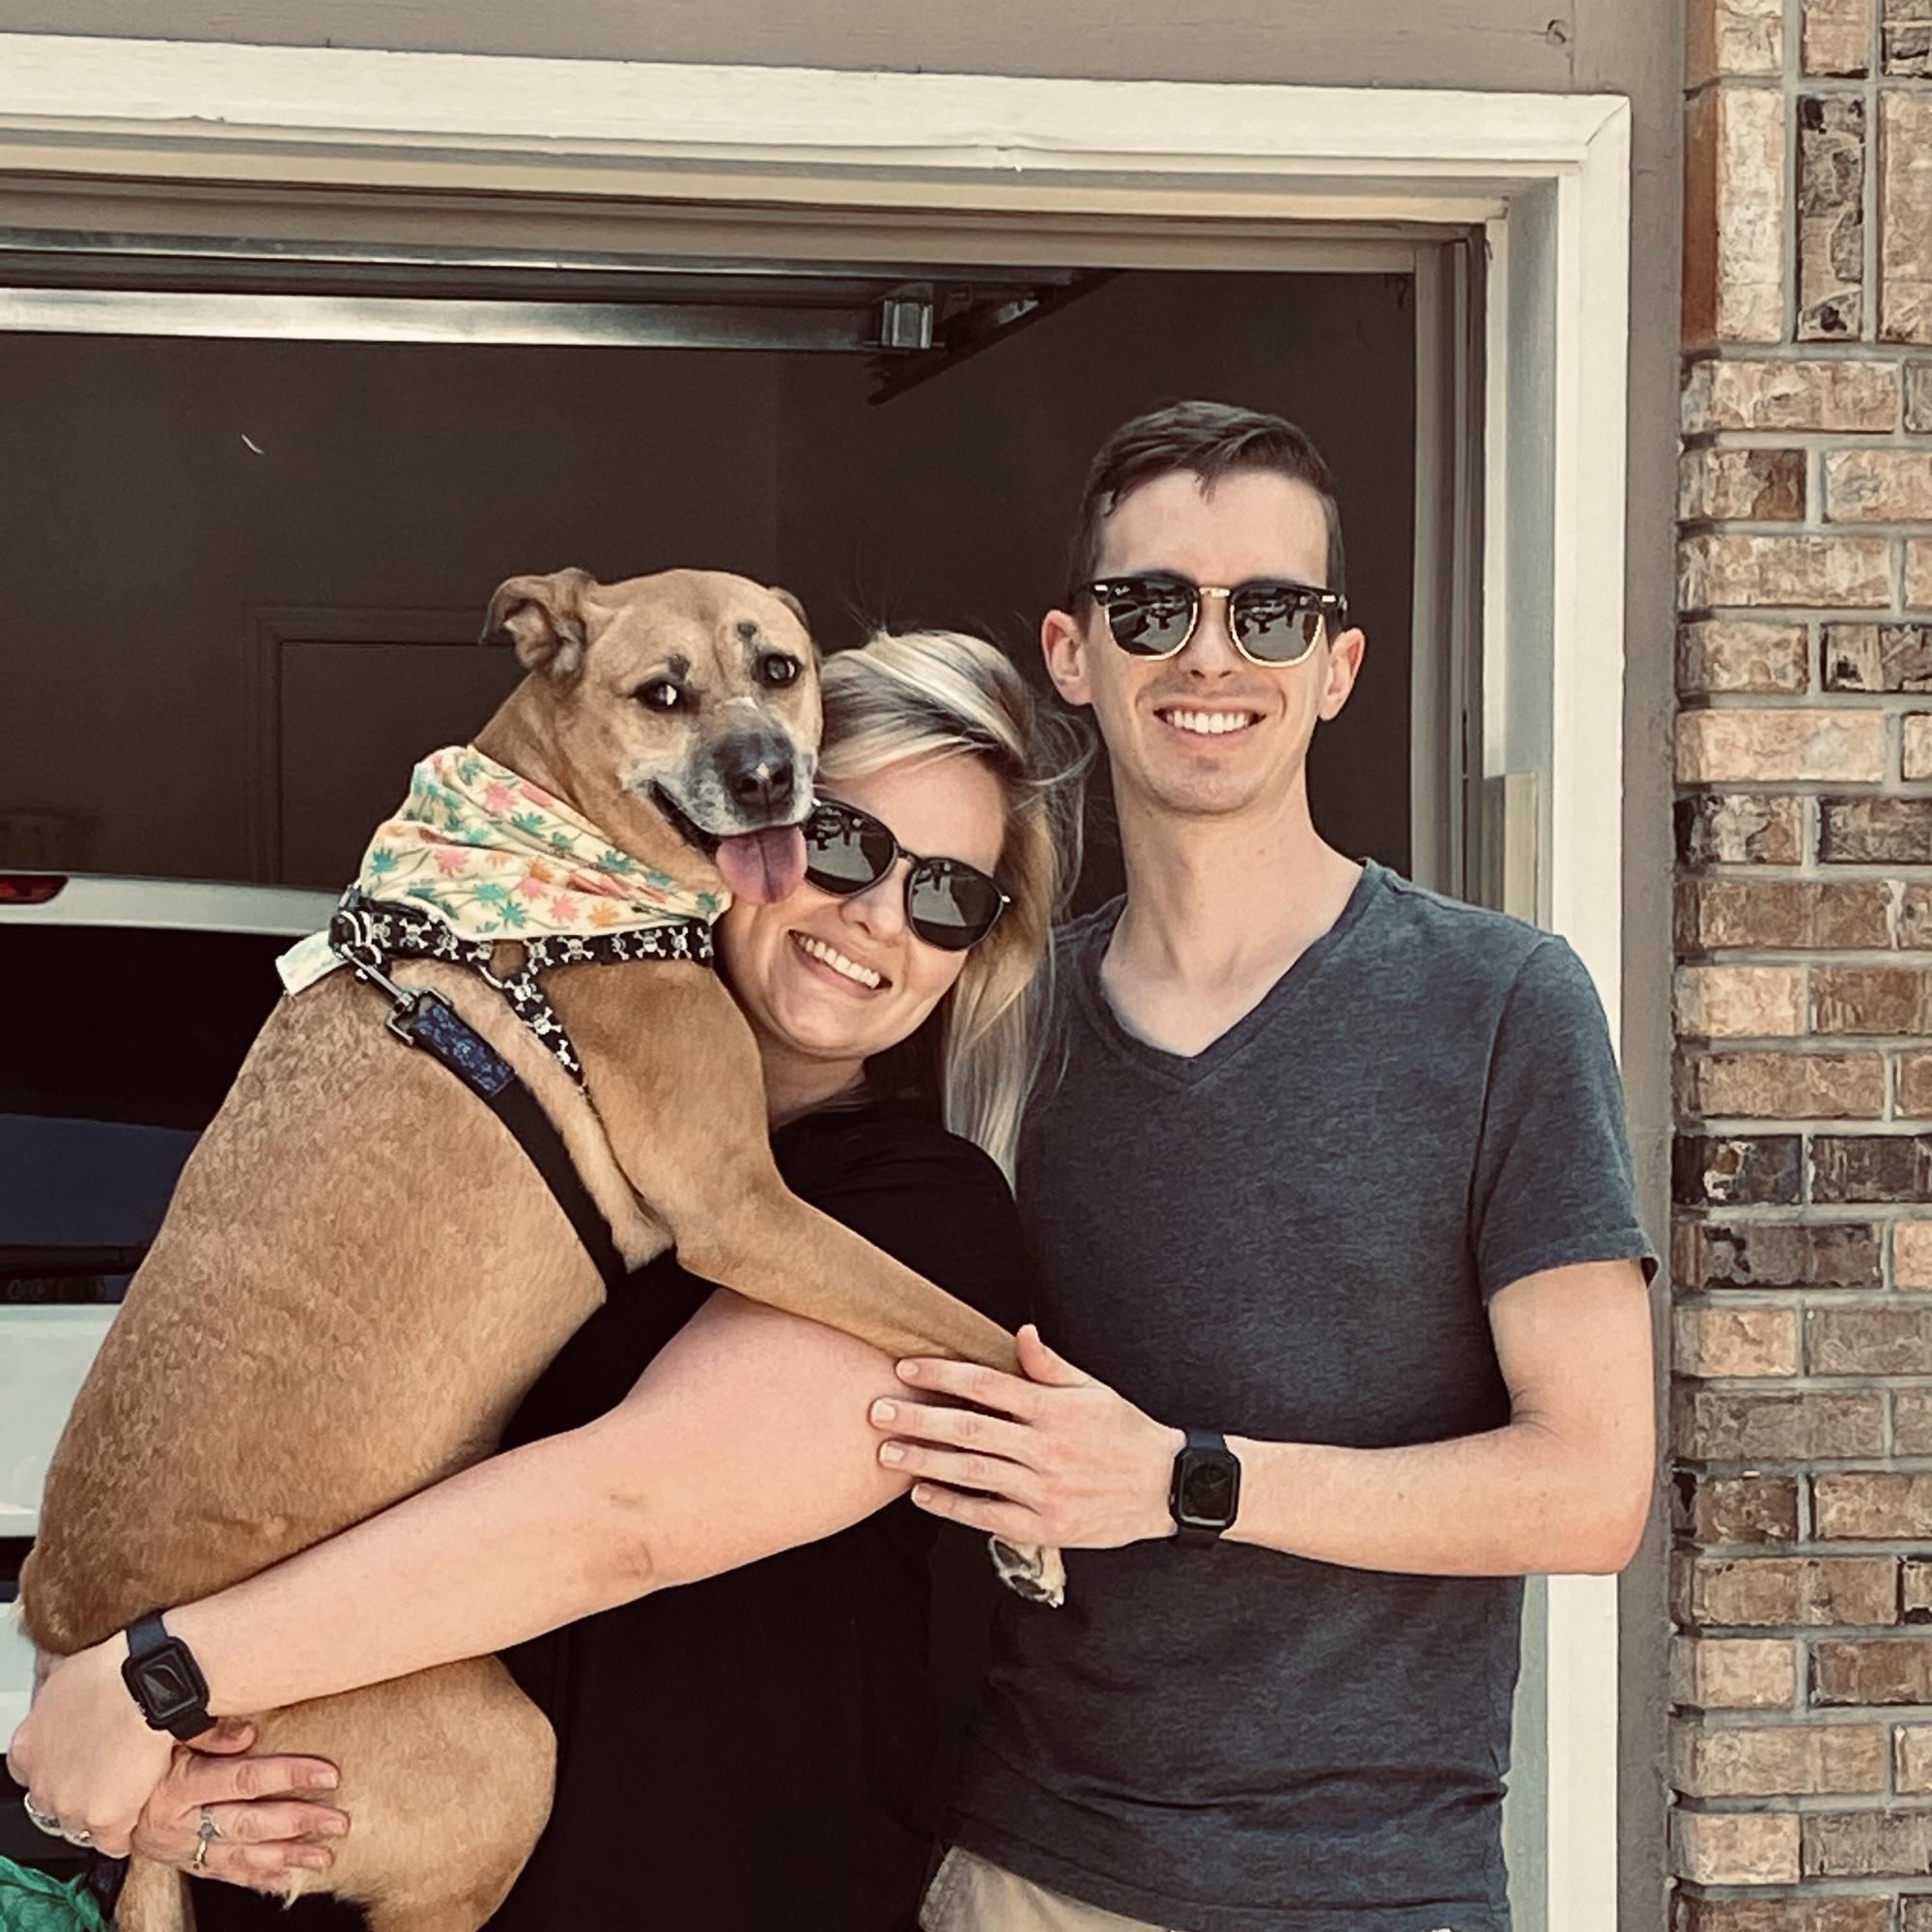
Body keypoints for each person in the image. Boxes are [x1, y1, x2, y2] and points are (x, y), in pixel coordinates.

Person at [8, 627, 1085, 1932]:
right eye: (843, 841)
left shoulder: (917, 1216)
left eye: (949, 897)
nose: (876, 915)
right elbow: (229, 1401)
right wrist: (130, 1731)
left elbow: (626, 1511)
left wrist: (153, 1686)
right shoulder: (488, 1118)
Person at [859, 402, 1659, 1932]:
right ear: (1072, 654)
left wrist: (1182, 1480)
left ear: (1336, 666)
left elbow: (1589, 1489)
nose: (1209, 656)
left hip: (1367, 1891)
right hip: (1023, 1874)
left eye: (1269, 611)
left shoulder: (1501, 1002)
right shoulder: (992, 1018)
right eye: (1152, 606)